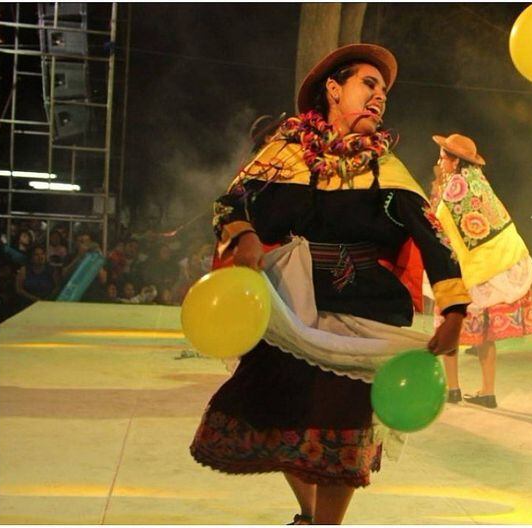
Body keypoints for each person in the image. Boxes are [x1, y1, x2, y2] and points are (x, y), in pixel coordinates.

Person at [189, 44, 469, 525]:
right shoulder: (285, 154)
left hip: (363, 312)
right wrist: (246, 234)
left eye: (384, 93)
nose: (379, 97)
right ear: (334, 90)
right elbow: (229, 203)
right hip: (289, 311)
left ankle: (326, 524)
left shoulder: (386, 168)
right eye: (369, 84)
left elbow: (433, 237)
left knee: (342, 427)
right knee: (272, 412)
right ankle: (309, 512)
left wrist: (455, 309)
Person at [429, 133, 532, 409]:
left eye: (442, 158)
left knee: (449, 325)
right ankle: (488, 391)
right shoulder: (481, 185)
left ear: (455, 161)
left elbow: (439, 227)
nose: (439, 163)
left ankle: (453, 389)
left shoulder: (455, 188)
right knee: (485, 335)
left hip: (468, 273)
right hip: (491, 272)